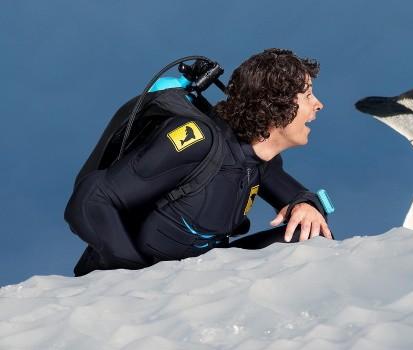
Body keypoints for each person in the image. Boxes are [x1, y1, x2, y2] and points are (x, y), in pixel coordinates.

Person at [65, 48, 333, 276]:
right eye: (308, 95)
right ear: (275, 103)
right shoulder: (198, 140)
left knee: (311, 234)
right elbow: (90, 200)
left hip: (196, 277)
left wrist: (306, 205)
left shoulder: (260, 162)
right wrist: (135, 276)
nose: (319, 105)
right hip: (131, 286)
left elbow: (296, 194)